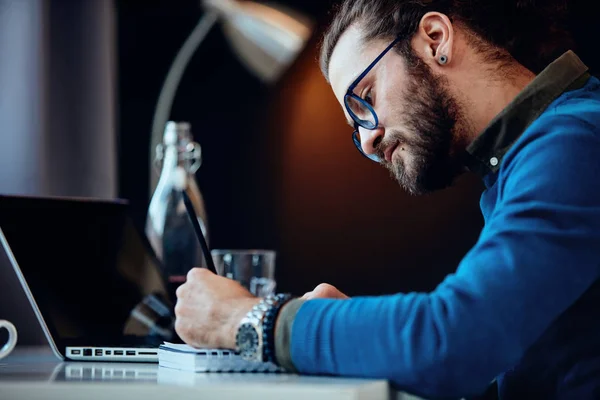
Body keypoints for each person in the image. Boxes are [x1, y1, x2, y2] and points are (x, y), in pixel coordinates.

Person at [173, 0, 600, 398]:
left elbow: (454, 340)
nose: (368, 139)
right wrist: (360, 335)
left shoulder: (573, 140)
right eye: (354, 127)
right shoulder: (526, 158)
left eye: (366, 98)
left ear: (435, 39)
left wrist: (249, 321)